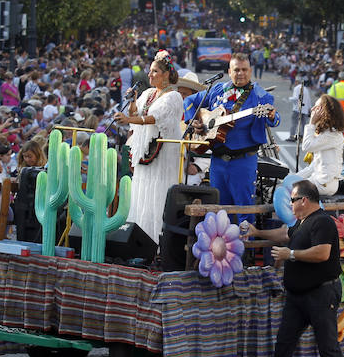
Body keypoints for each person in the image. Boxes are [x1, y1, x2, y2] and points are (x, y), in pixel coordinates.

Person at [246, 180, 344, 357]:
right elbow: (284, 234)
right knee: (284, 341)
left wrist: (290, 255)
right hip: (298, 295)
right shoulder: (302, 222)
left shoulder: (323, 221)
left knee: (327, 344)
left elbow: (323, 253)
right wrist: (257, 232)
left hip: (321, 293)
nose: (290, 204)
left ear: (304, 200)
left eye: (292, 200)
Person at [184, 53, 279, 226]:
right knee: (217, 209)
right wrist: (194, 122)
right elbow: (190, 101)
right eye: (236, 70)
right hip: (218, 162)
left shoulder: (261, 96)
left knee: (244, 211)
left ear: (250, 72)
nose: (240, 73)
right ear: (229, 71)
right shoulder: (217, 89)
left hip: (243, 163)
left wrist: (272, 115)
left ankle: (244, 251)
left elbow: (275, 119)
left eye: (244, 70)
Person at [114, 50, 184, 245]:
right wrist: (133, 100)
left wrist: (129, 118)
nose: (150, 75)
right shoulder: (148, 93)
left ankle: (156, 244)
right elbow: (137, 115)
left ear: (166, 74)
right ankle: (138, 244)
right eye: (150, 71)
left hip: (162, 156)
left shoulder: (174, 97)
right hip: (145, 154)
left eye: (154, 71)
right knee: (142, 194)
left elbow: (155, 119)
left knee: (157, 196)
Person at [296, 95, 344, 196]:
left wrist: (312, 123)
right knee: (287, 184)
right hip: (320, 180)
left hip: (325, 183)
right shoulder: (326, 133)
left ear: (326, 112)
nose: (313, 110)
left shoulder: (333, 135)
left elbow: (307, 146)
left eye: (317, 107)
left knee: (288, 191)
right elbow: (313, 166)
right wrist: (293, 177)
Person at [288, 75, 314, 142]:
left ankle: (292, 136)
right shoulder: (306, 89)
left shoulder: (296, 88)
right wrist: (309, 108)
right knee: (303, 124)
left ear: (297, 81)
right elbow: (309, 100)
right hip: (304, 109)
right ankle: (302, 137)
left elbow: (296, 98)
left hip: (297, 109)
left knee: (294, 123)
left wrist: (289, 99)